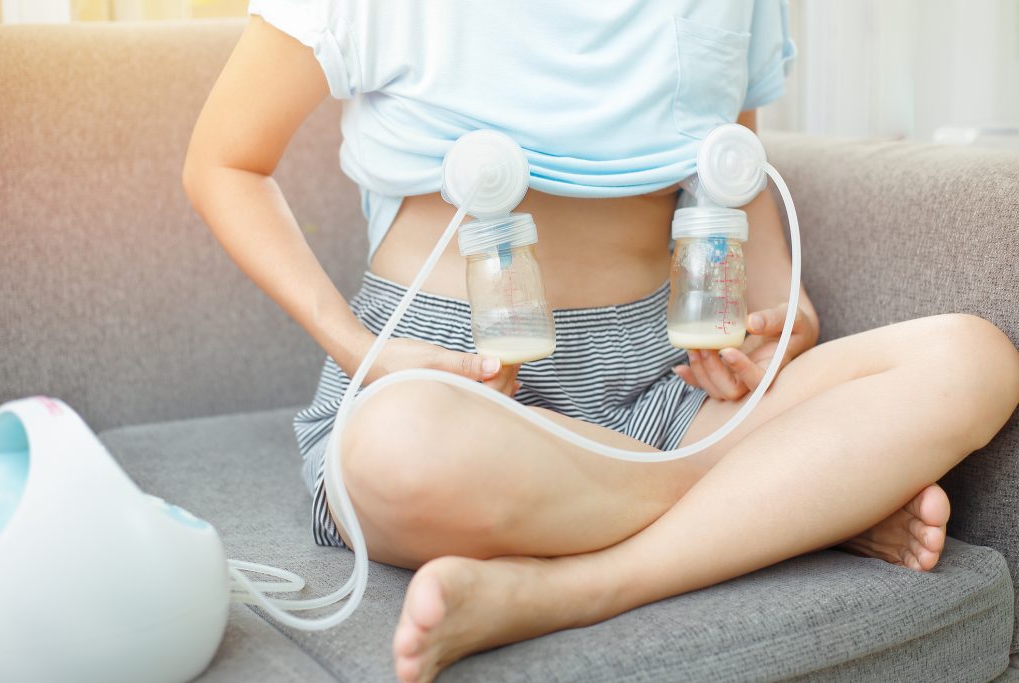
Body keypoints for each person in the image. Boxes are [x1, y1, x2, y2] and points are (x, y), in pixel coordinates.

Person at [182, 2, 1019, 681]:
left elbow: (734, 163)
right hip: (450, 378)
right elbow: (223, 161)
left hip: (669, 382)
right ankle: (793, 501)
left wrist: (777, 305)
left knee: (971, 360)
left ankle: (574, 588)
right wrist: (360, 345)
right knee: (394, 448)